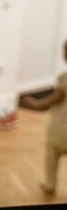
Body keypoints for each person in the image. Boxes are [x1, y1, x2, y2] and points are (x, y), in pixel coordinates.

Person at [20, 39, 67, 194]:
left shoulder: (64, 78)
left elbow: (56, 98)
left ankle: (49, 183)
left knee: (52, 155)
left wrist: (35, 104)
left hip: (60, 129)